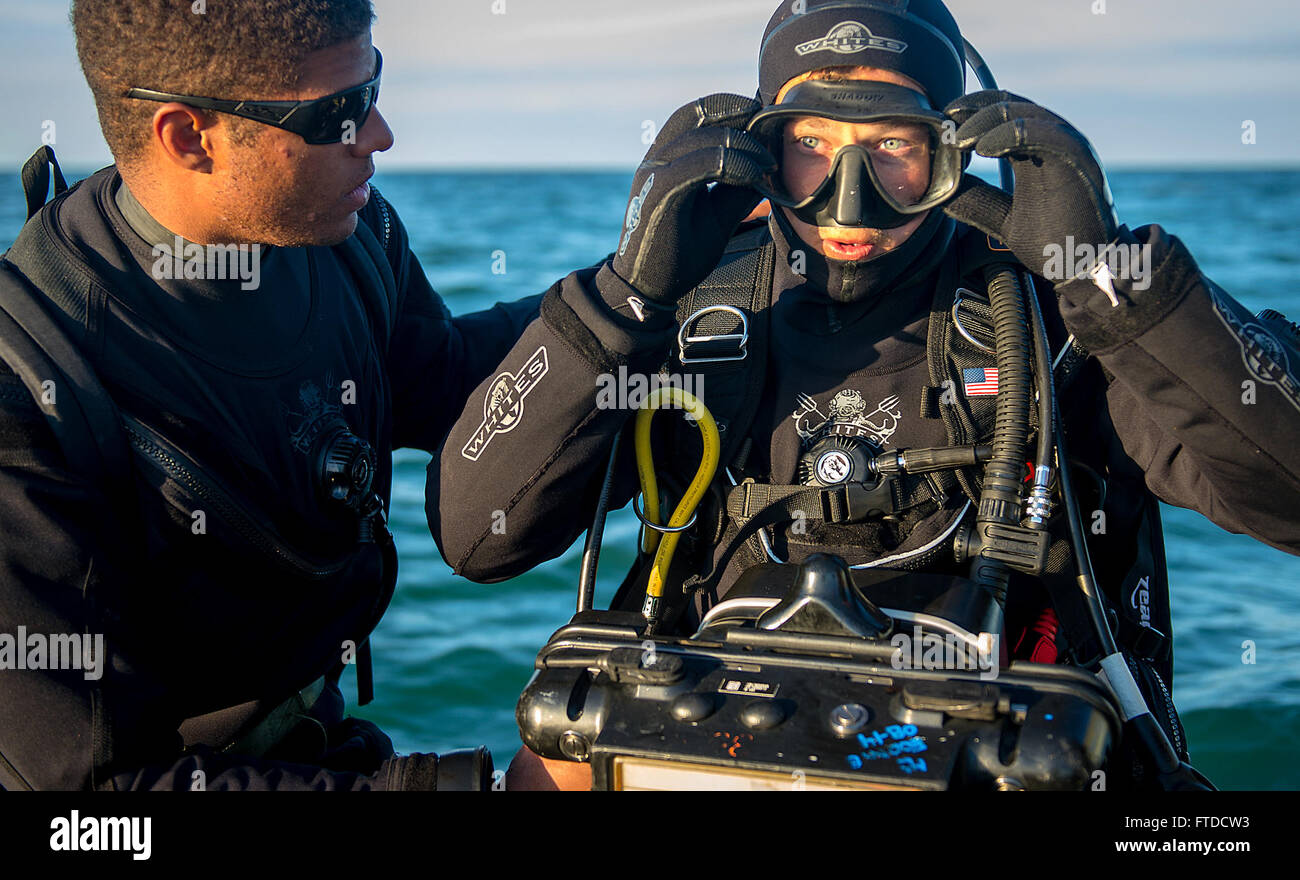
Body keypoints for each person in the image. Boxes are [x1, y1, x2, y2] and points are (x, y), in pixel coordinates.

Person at [432, 0, 1300, 790]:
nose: (850, 202)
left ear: (951, 150)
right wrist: (626, 297)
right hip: (714, 742)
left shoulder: (1052, 321)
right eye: (812, 145)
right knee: (550, 762)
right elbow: (476, 537)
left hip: (997, 746)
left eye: (893, 147)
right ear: (762, 148)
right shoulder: (685, 305)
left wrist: (1114, 276)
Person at [0, 0, 543, 790]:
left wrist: (641, 293)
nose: (381, 134)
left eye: (374, 85)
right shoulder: (30, 388)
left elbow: (447, 382)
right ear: (189, 137)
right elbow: (87, 807)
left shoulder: (352, 240)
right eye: (340, 113)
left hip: (325, 744)